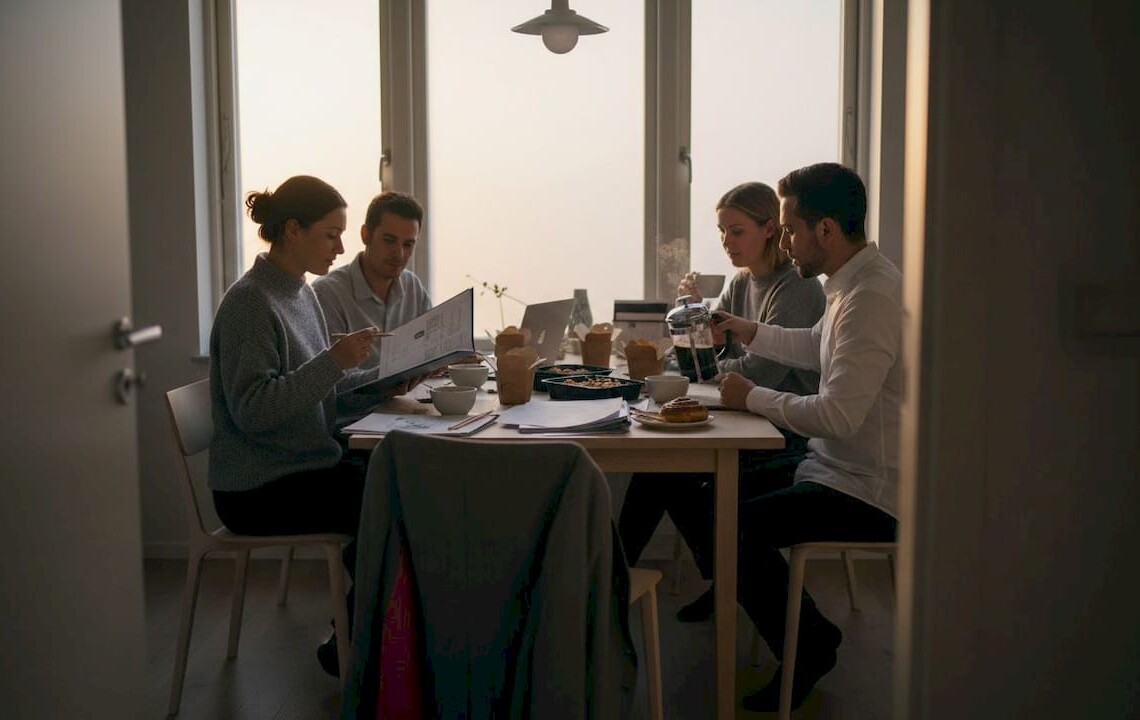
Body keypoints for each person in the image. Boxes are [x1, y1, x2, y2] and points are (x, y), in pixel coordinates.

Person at [713, 162, 901, 712]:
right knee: (716, 505)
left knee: (731, 526)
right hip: (832, 468)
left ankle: (813, 644)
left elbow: (838, 417)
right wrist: (748, 330)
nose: (785, 240)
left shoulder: (870, 297)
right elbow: (813, 345)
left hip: (867, 489)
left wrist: (752, 398)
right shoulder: (850, 284)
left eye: (790, 228)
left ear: (824, 231)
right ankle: (794, 633)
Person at [617, 181, 826, 621]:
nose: (726, 243)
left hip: (786, 433)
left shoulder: (797, 290)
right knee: (658, 469)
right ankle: (710, 580)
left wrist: (711, 360)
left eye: (736, 231)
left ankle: (721, 580)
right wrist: (696, 328)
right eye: (722, 232)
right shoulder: (740, 282)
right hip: (748, 418)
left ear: (770, 229)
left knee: (669, 474)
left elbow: (757, 372)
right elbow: (717, 361)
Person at [208, 175, 387, 678]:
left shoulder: (297, 292)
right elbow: (255, 409)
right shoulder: (250, 303)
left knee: (395, 475)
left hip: (302, 466)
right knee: (394, 496)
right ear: (293, 230)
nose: (342, 247)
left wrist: (389, 379)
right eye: (332, 234)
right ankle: (357, 640)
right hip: (257, 488)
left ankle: (365, 633)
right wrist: (334, 361)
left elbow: (318, 388)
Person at [312, 190, 431, 368]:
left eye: (408, 244)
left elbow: (431, 348)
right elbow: (331, 382)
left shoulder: (412, 286)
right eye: (389, 241)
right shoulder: (327, 293)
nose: (399, 254)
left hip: (414, 393)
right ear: (365, 235)